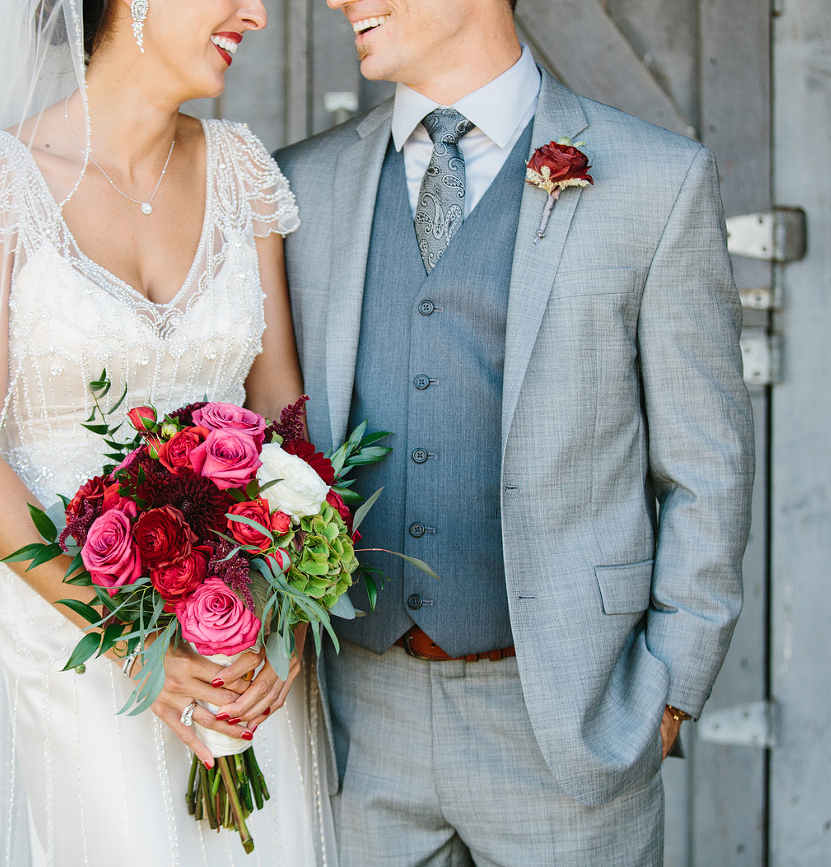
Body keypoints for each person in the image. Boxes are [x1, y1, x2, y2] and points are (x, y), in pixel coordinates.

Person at [273, 0, 756, 863]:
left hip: (565, 719)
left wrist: (669, 690)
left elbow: (704, 465)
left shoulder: (655, 180)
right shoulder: (300, 186)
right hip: (353, 720)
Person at [0, 0, 336, 863]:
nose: (258, 15)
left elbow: (283, 418)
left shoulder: (240, 169)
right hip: (74, 642)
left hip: (242, 644)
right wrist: (133, 647)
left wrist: (289, 628)